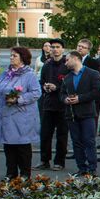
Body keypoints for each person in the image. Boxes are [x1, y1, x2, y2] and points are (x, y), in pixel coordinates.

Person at [0, 46, 41, 179]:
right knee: (9, 146)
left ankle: (25, 174)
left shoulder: (29, 75)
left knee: (22, 145)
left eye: (14, 56)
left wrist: (19, 99)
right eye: (11, 55)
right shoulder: (5, 74)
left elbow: (36, 93)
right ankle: (11, 173)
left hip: (21, 116)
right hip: (6, 115)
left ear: (22, 58)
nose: (11, 58)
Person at [61, 51, 100, 177]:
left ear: (75, 59)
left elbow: (98, 91)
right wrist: (65, 99)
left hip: (87, 113)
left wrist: (80, 98)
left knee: (89, 141)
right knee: (76, 141)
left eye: (67, 60)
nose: (66, 63)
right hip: (72, 114)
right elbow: (62, 93)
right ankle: (81, 167)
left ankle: (92, 167)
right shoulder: (67, 77)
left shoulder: (92, 73)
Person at [38, 40, 69, 170]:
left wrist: (57, 87)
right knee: (45, 134)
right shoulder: (47, 64)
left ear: (62, 49)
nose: (55, 50)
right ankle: (44, 160)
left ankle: (59, 161)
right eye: (53, 47)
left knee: (62, 135)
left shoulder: (67, 65)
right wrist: (45, 86)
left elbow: (70, 83)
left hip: (62, 105)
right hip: (48, 104)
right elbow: (42, 80)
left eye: (57, 47)